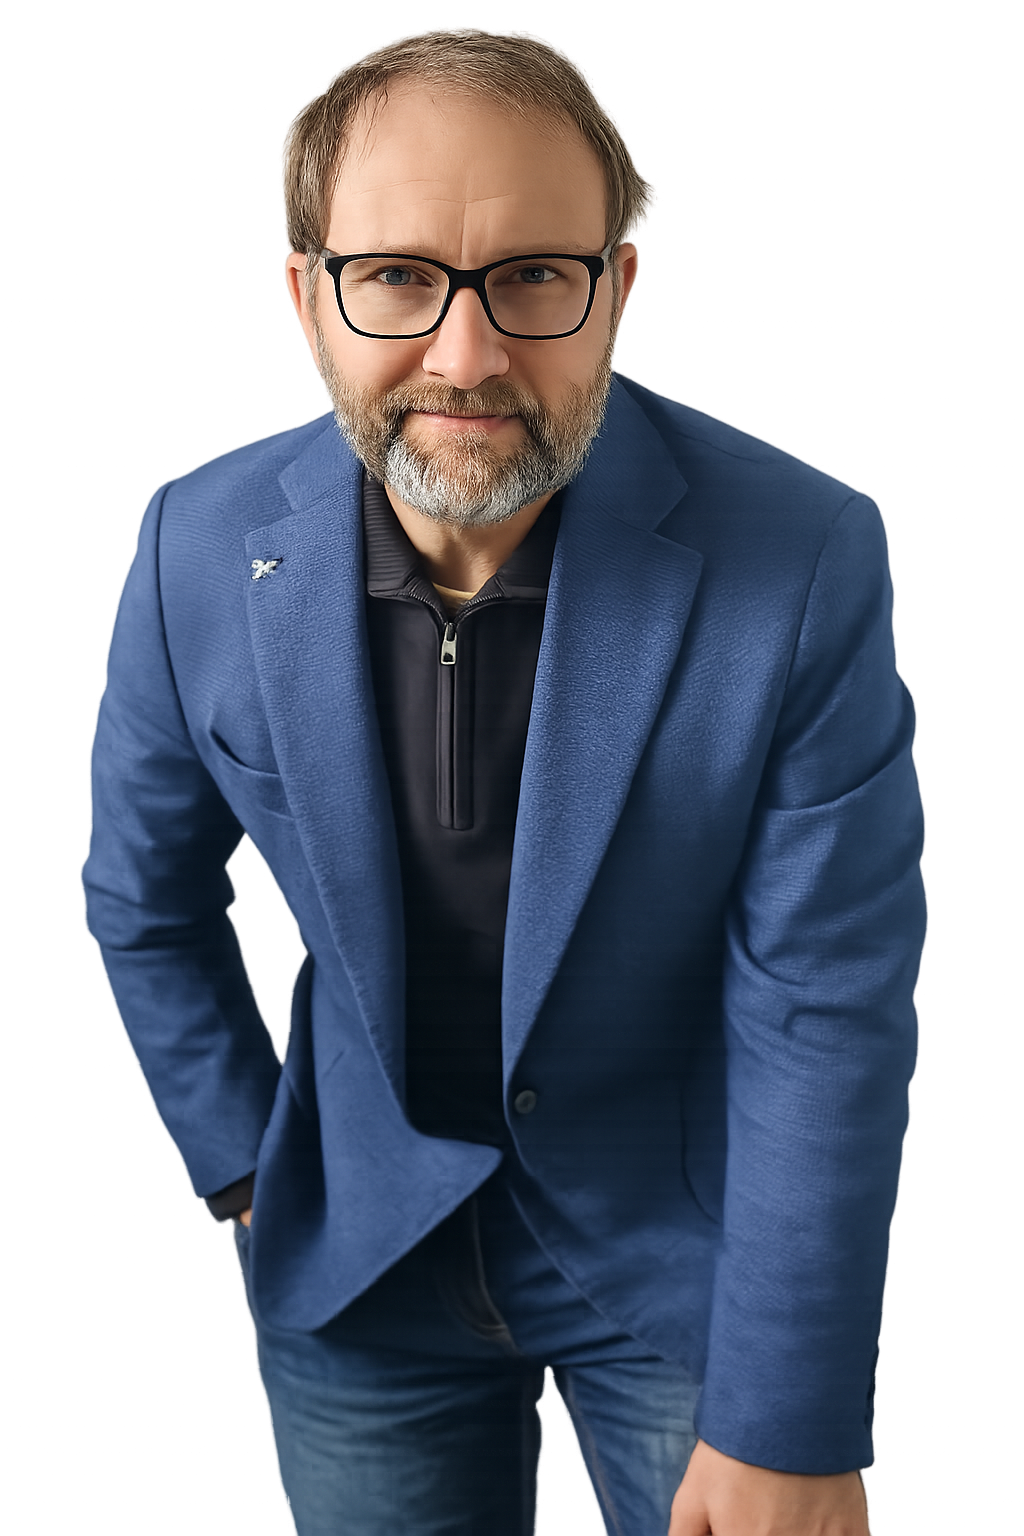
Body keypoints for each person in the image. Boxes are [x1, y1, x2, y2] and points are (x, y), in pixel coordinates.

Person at [84, 29, 924, 1536]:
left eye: (535, 275)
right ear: (308, 297)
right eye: (398, 277)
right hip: (357, 1259)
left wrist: (788, 1415)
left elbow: (828, 1002)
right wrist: (248, 1172)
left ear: (619, 291)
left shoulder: (802, 561)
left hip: (682, 1260)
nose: (467, 356)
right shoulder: (189, 552)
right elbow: (139, 900)